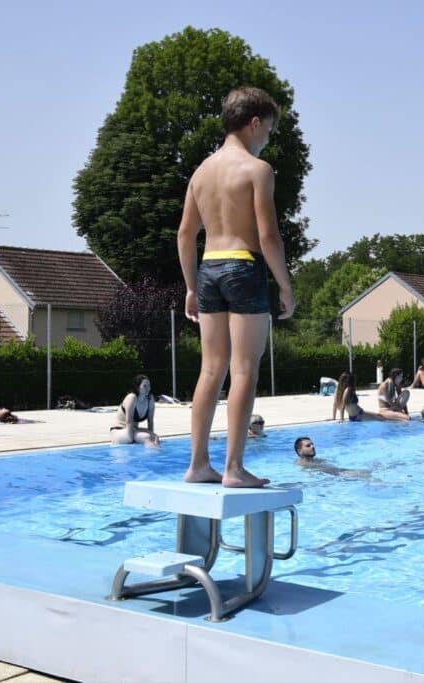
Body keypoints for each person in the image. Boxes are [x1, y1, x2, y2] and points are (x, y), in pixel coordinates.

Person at [179, 87, 294, 488]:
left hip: (208, 269)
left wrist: (191, 287)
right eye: (269, 131)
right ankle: (233, 468)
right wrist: (285, 286)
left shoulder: (201, 172)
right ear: (254, 123)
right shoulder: (257, 171)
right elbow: (269, 238)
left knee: (211, 369)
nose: (267, 140)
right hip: (244, 267)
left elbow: (185, 234)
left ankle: (197, 464)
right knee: (244, 369)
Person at [111, 375, 160, 447]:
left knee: (155, 437)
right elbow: (129, 421)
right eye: (144, 386)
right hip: (119, 431)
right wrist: (130, 439)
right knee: (146, 437)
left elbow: (150, 421)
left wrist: (152, 435)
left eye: (149, 386)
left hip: (133, 430)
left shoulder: (150, 399)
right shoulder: (132, 397)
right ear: (137, 387)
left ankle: (156, 456)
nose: (148, 388)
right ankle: (154, 454)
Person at [293, 436, 369, 477]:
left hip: (338, 472)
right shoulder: (302, 464)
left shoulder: (316, 461)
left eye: (312, 444)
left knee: (366, 472)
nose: (312, 447)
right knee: (365, 475)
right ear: (300, 451)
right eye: (308, 446)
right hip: (337, 476)